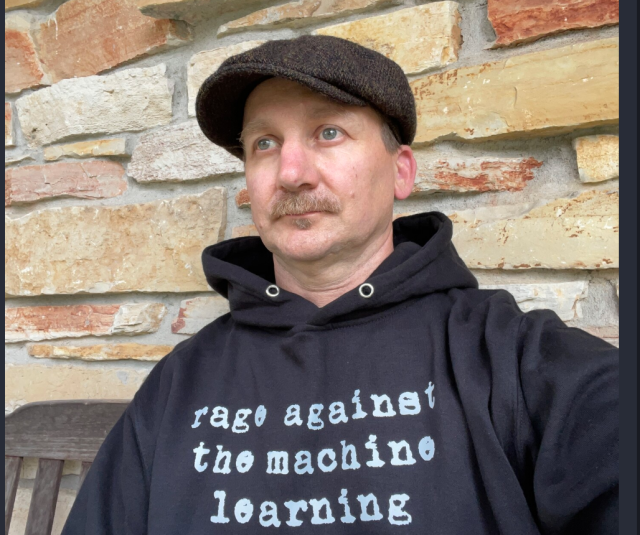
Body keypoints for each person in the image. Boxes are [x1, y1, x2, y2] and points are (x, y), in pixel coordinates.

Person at [62, 35, 618, 534]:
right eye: (264, 143)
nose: (291, 172)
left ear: (401, 171)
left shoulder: (507, 356)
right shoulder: (181, 382)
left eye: (328, 132)